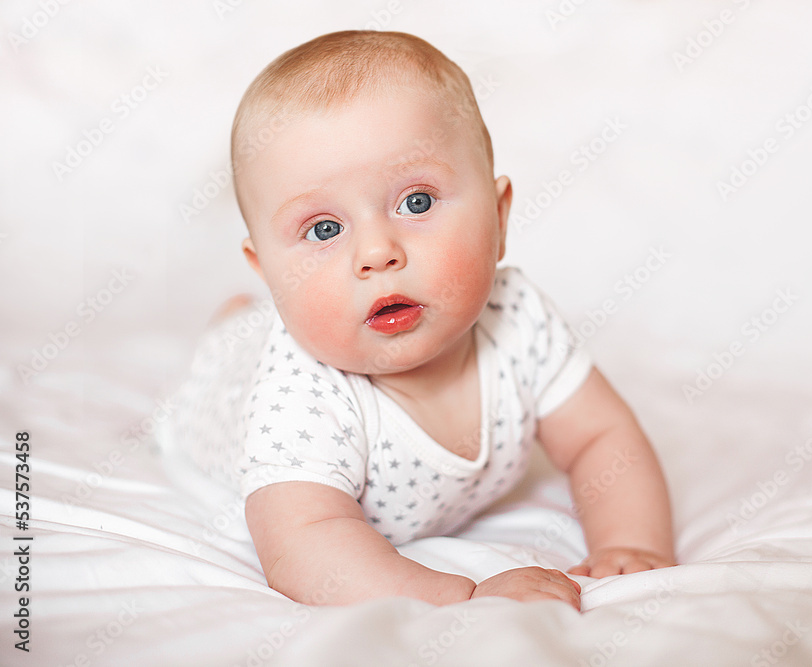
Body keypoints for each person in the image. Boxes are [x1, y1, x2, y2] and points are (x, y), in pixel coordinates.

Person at [167, 30, 675, 611]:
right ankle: (235, 324)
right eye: (324, 230)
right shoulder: (301, 395)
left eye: (417, 201)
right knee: (233, 345)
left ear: (499, 217)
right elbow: (303, 549)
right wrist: (465, 594)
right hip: (224, 392)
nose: (378, 253)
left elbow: (603, 439)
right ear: (270, 273)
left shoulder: (518, 319)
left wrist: (632, 543)